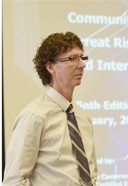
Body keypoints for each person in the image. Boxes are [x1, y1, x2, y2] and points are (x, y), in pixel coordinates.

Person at [3, 32, 98, 185]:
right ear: (50, 66)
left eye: (82, 57)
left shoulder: (83, 117)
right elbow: (14, 181)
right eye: (72, 58)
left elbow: (91, 174)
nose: (82, 64)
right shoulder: (34, 116)